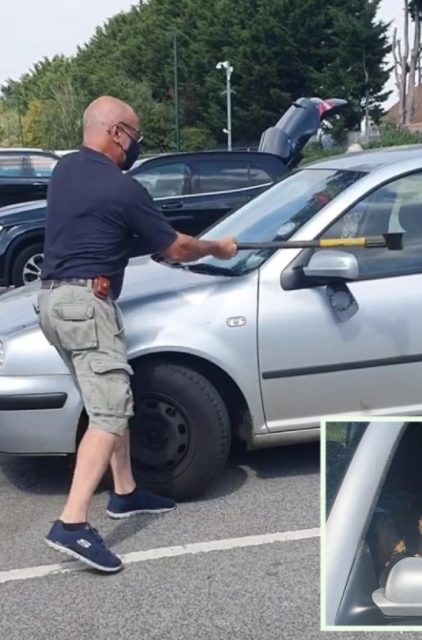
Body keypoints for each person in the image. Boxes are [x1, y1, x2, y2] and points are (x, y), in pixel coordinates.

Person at [37, 96, 238, 573]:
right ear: (116, 134)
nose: (136, 145)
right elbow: (178, 246)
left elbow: (105, 232)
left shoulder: (66, 172)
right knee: (109, 412)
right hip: (87, 304)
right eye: (134, 135)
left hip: (53, 302)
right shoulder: (121, 188)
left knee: (111, 395)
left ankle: (124, 493)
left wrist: (158, 245)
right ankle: (72, 523)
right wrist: (217, 247)